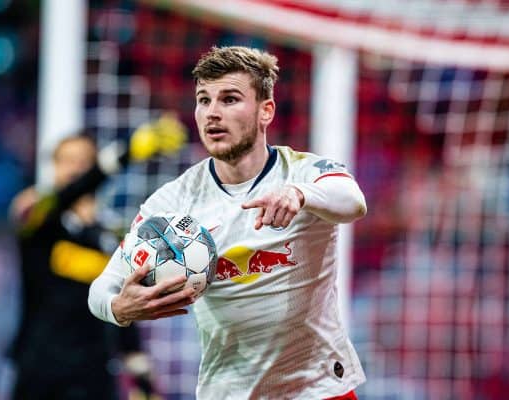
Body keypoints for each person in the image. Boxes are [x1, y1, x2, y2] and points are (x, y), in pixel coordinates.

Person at [89, 46, 367, 399]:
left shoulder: (304, 172)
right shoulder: (173, 203)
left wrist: (299, 194)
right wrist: (118, 308)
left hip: (319, 389)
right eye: (204, 100)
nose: (212, 113)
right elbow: (102, 288)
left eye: (230, 99)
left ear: (266, 111)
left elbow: (353, 201)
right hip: (229, 391)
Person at [10, 117, 186, 400]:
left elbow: (123, 304)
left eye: (83, 161)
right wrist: (125, 153)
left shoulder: (111, 237)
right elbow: (70, 193)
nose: (75, 169)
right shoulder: (37, 215)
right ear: (53, 167)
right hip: (40, 370)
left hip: (94, 373)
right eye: (67, 160)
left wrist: (141, 374)